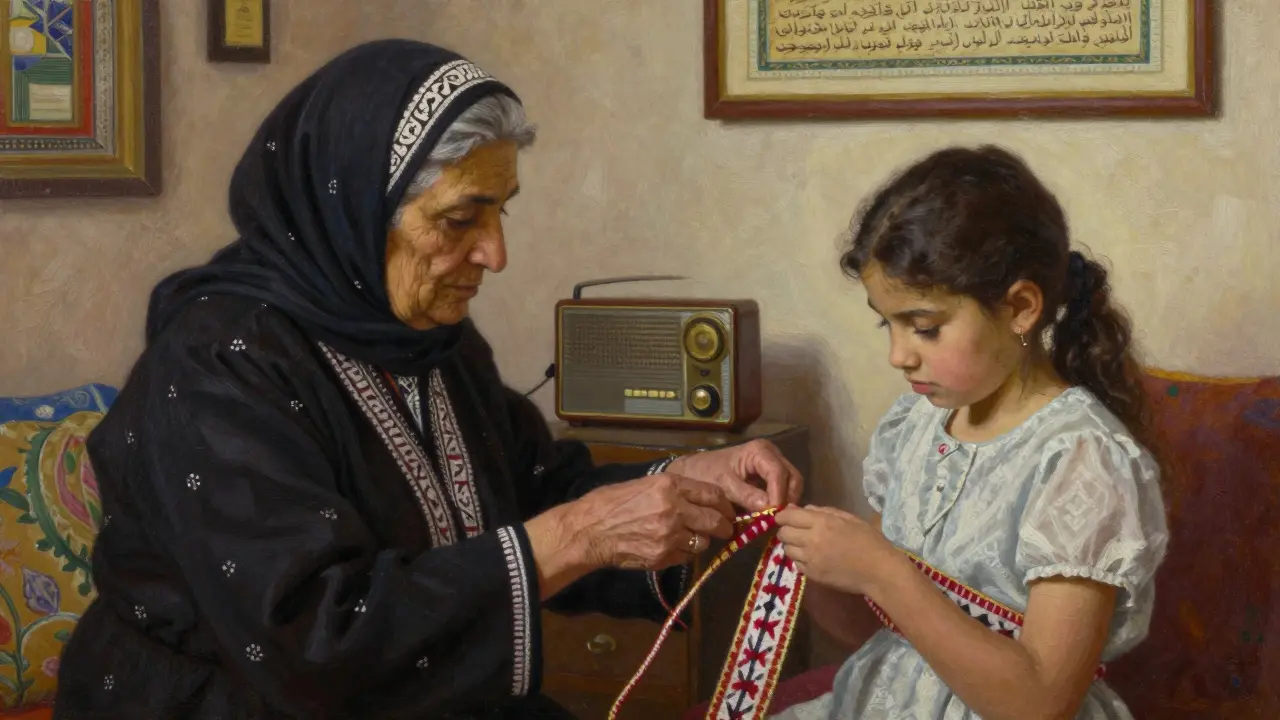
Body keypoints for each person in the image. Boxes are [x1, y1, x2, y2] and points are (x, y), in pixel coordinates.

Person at [53, 40, 803, 720]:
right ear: (351, 208)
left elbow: (532, 492)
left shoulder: (427, 338)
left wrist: (692, 484)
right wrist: (577, 536)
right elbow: (309, 639)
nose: (495, 254)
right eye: (459, 220)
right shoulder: (220, 362)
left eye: (500, 213)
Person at [773, 146, 1169, 720]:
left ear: (1021, 308)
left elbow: (1041, 702)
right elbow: (884, 632)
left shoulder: (1082, 460)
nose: (898, 355)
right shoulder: (914, 427)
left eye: (925, 327)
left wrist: (884, 572)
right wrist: (812, 562)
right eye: (888, 323)